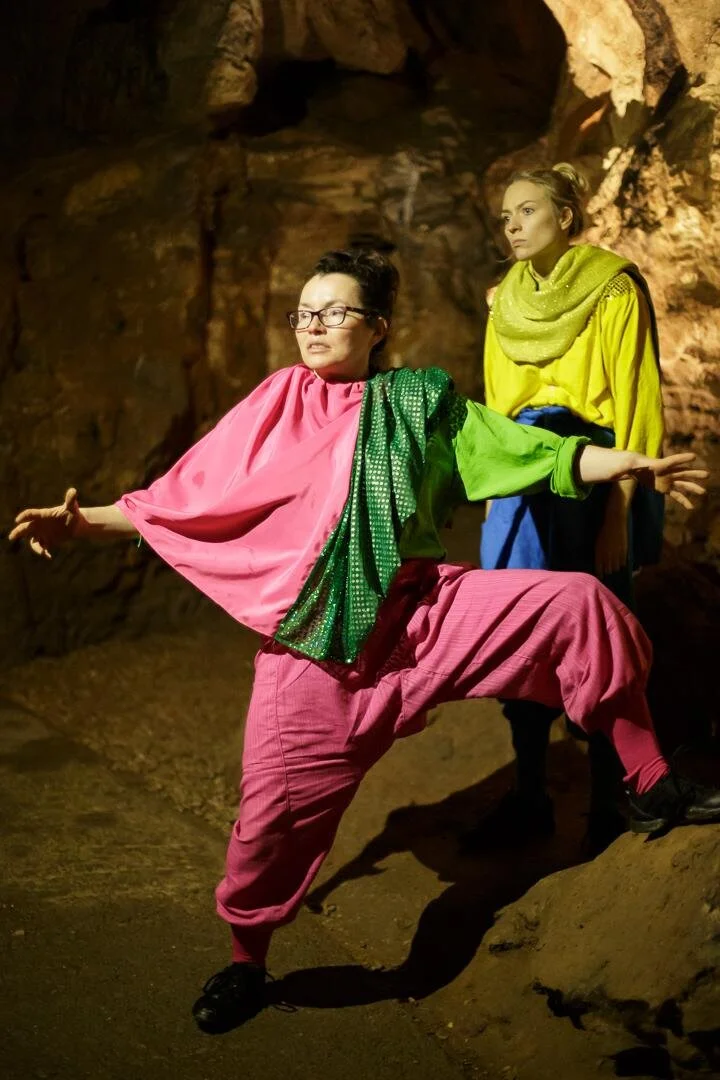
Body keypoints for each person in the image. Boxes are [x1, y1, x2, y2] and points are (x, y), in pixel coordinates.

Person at [9, 248, 720, 1036]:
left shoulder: (416, 402)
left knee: (579, 603)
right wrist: (81, 522)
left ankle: (649, 783)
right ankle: (246, 962)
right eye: (304, 313)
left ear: (378, 326)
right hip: (318, 648)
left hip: (423, 615)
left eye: (334, 312)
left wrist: (624, 463)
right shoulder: (275, 402)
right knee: (269, 822)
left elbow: (521, 449)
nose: (313, 326)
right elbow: (182, 497)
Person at [479, 163, 666, 852]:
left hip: (592, 476)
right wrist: (496, 496)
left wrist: (619, 509)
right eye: (506, 216)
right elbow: (496, 409)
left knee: (603, 636)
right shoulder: (504, 300)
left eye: (527, 210)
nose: (513, 225)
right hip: (523, 479)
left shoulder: (612, 288)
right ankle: (529, 796)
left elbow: (636, 400)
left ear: (565, 215)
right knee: (520, 635)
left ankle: (611, 804)